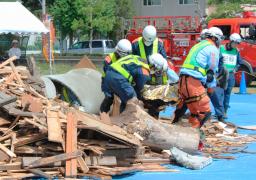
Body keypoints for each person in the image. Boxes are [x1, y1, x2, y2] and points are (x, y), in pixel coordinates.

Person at [172, 27, 223, 128]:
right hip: (193, 82)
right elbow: (210, 73)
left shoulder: (197, 45)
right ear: (215, 38)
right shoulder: (213, 49)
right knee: (204, 112)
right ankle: (194, 136)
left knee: (185, 108)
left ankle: (174, 127)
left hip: (182, 80)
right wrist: (210, 90)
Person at [100, 40, 150, 114]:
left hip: (119, 78)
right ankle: (103, 113)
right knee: (110, 98)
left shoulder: (131, 59)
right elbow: (108, 72)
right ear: (118, 51)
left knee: (126, 98)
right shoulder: (109, 58)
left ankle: (122, 116)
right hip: (108, 80)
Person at [220, 33, 242, 118]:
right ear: (231, 41)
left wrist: (235, 69)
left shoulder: (236, 51)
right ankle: (219, 111)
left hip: (231, 75)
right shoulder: (221, 49)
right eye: (235, 43)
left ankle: (225, 111)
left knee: (227, 93)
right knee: (220, 93)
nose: (236, 45)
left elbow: (239, 63)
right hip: (222, 75)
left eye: (238, 43)